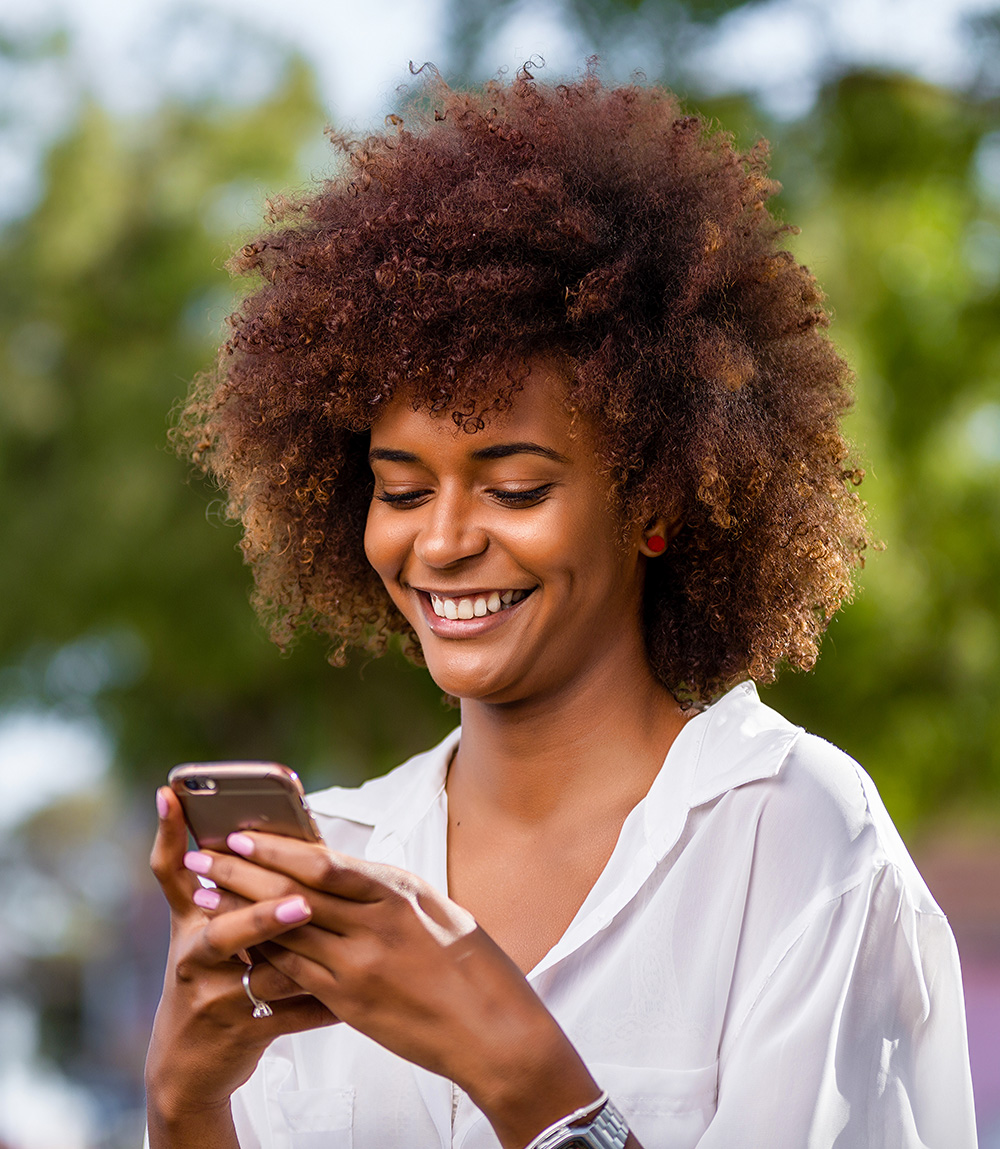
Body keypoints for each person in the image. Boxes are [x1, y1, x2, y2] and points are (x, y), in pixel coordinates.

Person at [145, 66, 978, 1148]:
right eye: (401, 490)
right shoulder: (337, 865)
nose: (439, 542)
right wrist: (184, 1099)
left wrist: (521, 1071)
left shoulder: (789, 833)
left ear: (655, 499)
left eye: (516, 487)